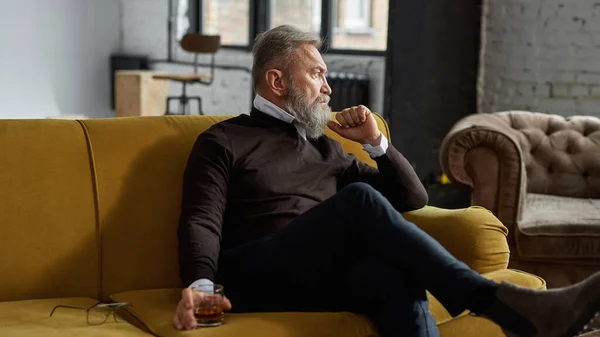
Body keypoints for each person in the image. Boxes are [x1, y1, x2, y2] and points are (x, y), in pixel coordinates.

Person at [172, 25, 600, 337]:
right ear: (277, 81)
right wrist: (201, 289)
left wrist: (376, 143)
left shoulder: (327, 148)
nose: (327, 87)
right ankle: (500, 303)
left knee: (395, 277)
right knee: (359, 198)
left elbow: (412, 197)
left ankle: (510, 309)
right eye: (316, 74)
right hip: (254, 275)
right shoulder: (224, 140)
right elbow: (201, 220)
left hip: (316, 277)